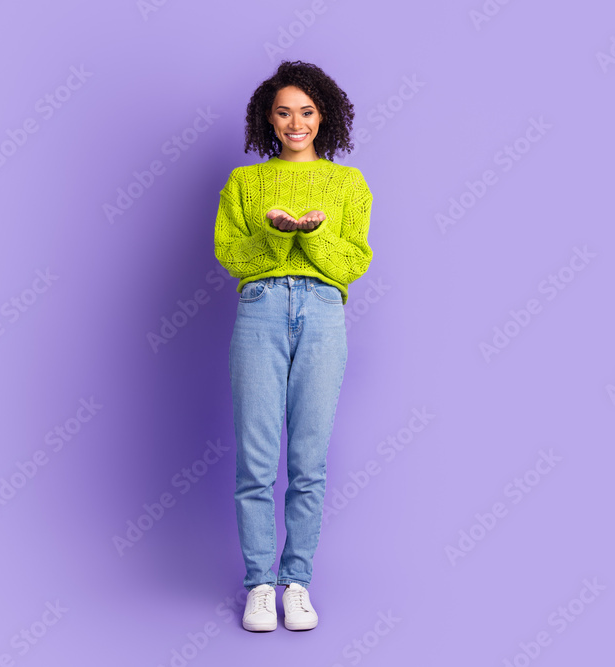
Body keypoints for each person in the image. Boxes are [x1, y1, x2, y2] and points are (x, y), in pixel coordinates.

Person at [213, 60, 373, 632]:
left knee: (309, 460)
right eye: (283, 112)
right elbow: (232, 257)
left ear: (323, 116)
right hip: (259, 311)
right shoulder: (244, 183)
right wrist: (275, 230)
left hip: (324, 312)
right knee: (256, 461)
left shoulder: (349, 184)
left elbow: (353, 261)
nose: (295, 122)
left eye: (306, 111)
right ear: (268, 119)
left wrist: (316, 231)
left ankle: (296, 582)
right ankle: (259, 583)